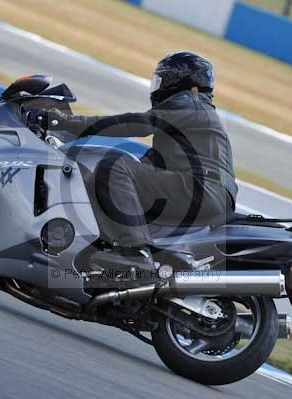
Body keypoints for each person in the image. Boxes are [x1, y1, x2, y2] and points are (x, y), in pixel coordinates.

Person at [30, 51, 238, 278]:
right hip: (206, 191)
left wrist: (64, 121)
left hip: (201, 189)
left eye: (161, 80)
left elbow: (134, 124)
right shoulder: (196, 114)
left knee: (114, 166)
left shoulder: (188, 102)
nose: (156, 87)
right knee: (119, 183)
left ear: (176, 81)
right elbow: (151, 162)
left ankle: (134, 251)